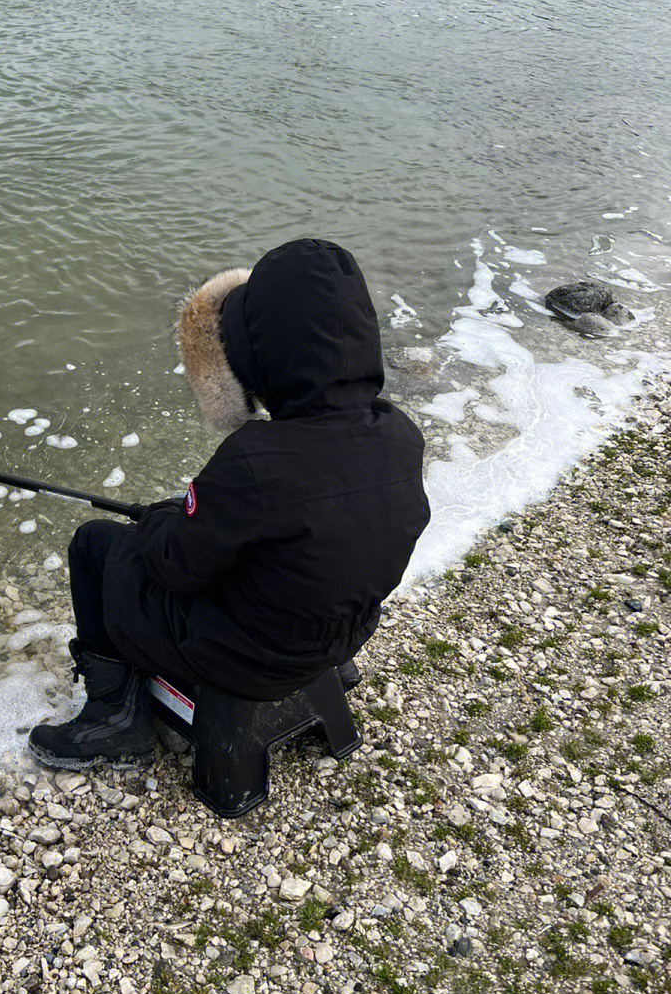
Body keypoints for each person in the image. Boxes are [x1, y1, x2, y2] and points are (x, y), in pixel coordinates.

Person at [28, 238, 430, 770]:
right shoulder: (399, 434)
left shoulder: (255, 458)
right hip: (339, 637)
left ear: (268, 352)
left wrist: (158, 522)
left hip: (247, 660)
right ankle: (332, 675)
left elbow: (176, 565)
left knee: (95, 545)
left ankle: (113, 717)